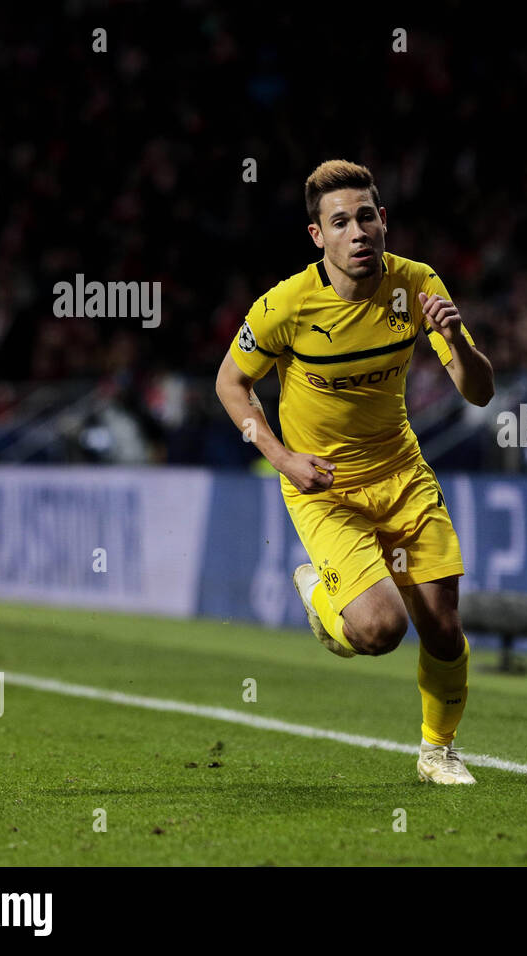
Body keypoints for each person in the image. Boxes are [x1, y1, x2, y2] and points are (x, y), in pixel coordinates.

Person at [215, 159, 494, 784]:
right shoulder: (286, 306)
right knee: (378, 630)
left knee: (443, 629)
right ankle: (320, 593)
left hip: (403, 472)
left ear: (384, 220)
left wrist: (463, 345)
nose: (357, 231)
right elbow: (230, 383)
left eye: (366, 216)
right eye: (340, 222)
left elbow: (477, 392)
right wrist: (284, 458)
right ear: (319, 236)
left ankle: (437, 752)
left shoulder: (417, 285)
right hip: (324, 486)